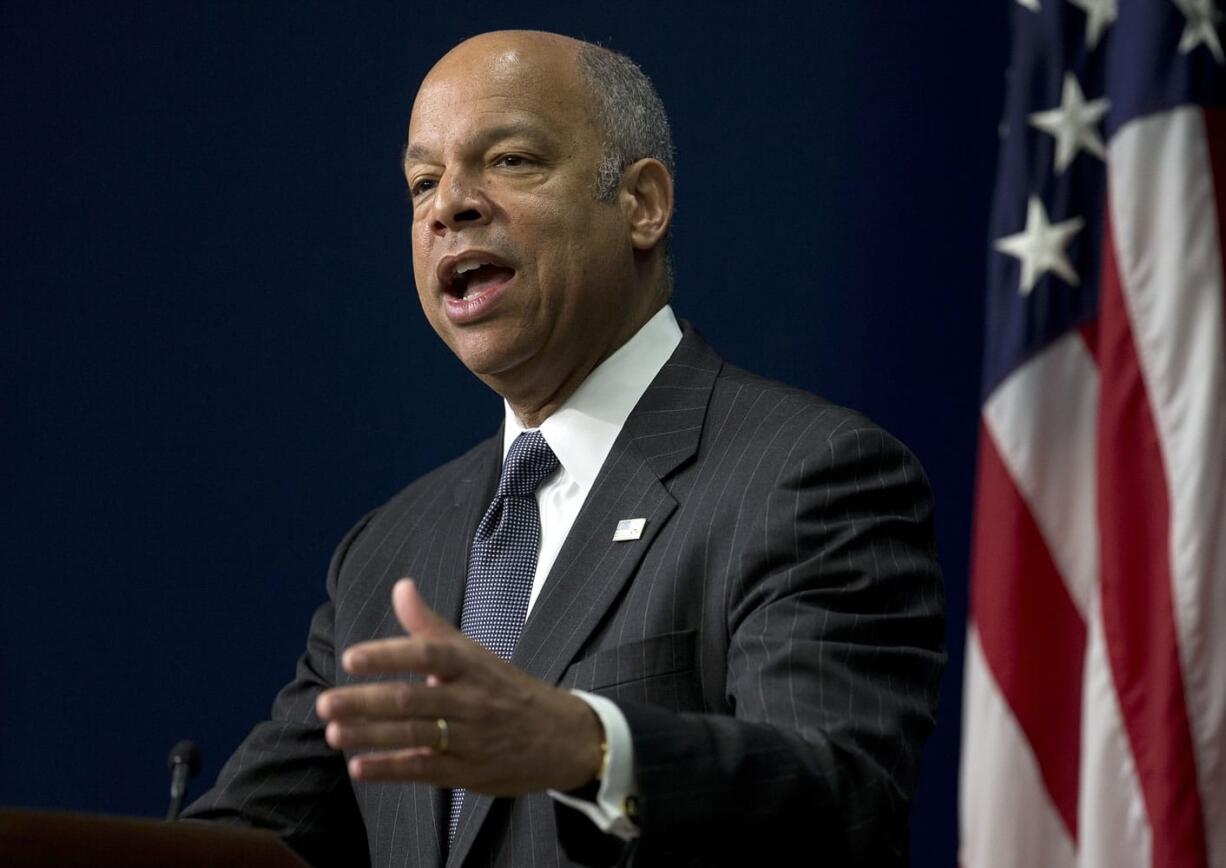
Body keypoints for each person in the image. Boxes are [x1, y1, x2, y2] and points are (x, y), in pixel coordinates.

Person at [183, 30, 945, 868]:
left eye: (508, 160)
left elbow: (843, 803)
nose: (449, 207)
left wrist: (591, 747)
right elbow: (254, 840)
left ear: (642, 204)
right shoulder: (387, 550)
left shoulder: (807, 474)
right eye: (423, 182)